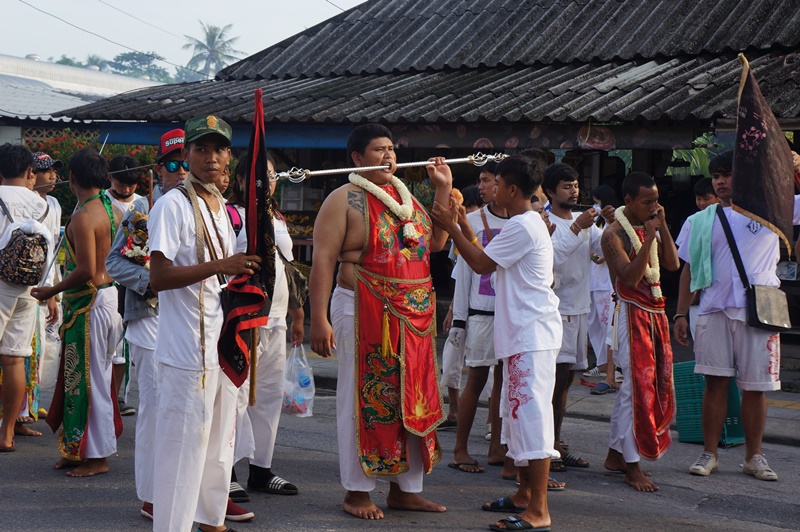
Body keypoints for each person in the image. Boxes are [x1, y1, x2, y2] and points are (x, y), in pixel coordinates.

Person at [310, 123, 451, 520]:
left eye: (391, 149)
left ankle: (406, 489)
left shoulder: (406, 197)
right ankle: (356, 492)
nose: (388, 156)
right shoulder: (343, 200)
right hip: (362, 309)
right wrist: (319, 318)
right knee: (363, 399)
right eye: (378, 150)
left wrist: (442, 187)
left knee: (412, 396)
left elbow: (435, 245)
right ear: (357, 158)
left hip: (413, 316)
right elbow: (322, 262)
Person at [431, 154, 562, 532]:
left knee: (531, 420)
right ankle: (524, 495)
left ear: (512, 189)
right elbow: (487, 253)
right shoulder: (524, 223)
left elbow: (482, 265)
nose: (490, 190)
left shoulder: (524, 226)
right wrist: (458, 222)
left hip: (530, 335)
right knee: (517, 416)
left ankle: (539, 509)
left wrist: (452, 228)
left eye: (497, 183)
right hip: (521, 334)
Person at [148, 115, 259, 532]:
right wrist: (223, 265)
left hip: (220, 345)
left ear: (229, 156)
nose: (210, 157)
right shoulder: (172, 204)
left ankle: (212, 521)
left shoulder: (223, 208)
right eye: (201, 149)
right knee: (182, 454)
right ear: (186, 155)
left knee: (217, 448)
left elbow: (228, 275)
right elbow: (158, 278)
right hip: (184, 354)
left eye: (218, 149)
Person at [673, 151, 781, 482]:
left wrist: (790, 165)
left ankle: (754, 456)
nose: (721, 181)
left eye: (728, 174)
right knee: (714, 383)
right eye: (717, 175)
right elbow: (688, 269)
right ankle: (710, 453)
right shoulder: (699, 220)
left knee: (755, 387)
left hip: (759, 311)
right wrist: (680, 313)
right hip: (712, 308)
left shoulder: (771, 210)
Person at [105, 128, 187, 520]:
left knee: (192, 406)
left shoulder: (216, 209)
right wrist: (150, 282)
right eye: (174, 164)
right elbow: (114, 262)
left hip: (196, 320)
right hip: (150, 317)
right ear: (159, 170)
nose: (183, 171)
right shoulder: (143, 211)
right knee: (156, 404)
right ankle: (153, 493)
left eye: (189, 162)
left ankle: (203, 490)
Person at [32, 148, 122, 477]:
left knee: (91, 381)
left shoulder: (85, 217)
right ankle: (78, 448)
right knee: (81, 379)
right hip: (106, 300)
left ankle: (97, 456)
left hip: (91, 303)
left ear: (72, 179)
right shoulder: (111, 209)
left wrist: (51, 290)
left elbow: (85, 269)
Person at [228, 153, 304, 502]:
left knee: (269, 397)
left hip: (275, 320)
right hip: (246, 319)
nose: (268, 182)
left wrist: (297, 312)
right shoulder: (232, 216)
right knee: (237, 398)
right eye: (260, 176)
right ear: (242, 181)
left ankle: (261, 469)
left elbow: (286, 265)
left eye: (273, 176)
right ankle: (225, 470)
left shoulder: (276, 216)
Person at [600, 172, 680, 492]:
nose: (654, 206)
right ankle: (632, 467)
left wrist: (663, 229)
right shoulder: (612, 234)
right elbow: (630, 280)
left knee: (638, 388)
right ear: (628, 201)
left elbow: (672, 265)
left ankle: (615, 455)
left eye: (656, 200)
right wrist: (648, 237)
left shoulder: (651, 224)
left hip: (656, 313)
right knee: (636, 389)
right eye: (648, 201)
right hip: (630, 314)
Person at [543, 163, 608, 471]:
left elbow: (602, 250)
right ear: (549, 192)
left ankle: (554, 443)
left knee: (567, 380)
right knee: (555, 381)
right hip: (558, 310)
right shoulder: (544, 220)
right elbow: (550, 259)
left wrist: (613, 224)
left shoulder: (584, 223)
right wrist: (577, 227)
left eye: (575, 185)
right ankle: (549, 448)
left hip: (578, 309)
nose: (574, 190)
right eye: (566, 186)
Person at [448, 175, 508, 475]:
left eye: (487, 180)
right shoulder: (471, 219)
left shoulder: (522, 221)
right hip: (481, 312)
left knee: (503, 381)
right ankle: (460, 449)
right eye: (481, 180)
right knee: (477, 379)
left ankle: (497, 445)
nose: (481, 186)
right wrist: (460, 319)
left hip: (509, 314)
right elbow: (463, 275)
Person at [0, 144, 51, 451]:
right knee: (14, 360)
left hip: (0, 284)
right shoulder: (42, 204)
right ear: (31, 172)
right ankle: (6, 433)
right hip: (29, 289)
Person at [107, 155, 144, 417]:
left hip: (133, 282)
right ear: (110, 178)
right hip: (106, 280)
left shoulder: (143, 203)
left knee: (124, 348)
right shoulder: (100, 202)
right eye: (121, 184)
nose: (126, 189)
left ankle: (118, 397)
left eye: (131, 185)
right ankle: (103, 395)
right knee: (108, 346)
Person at [584, 184, 621, 395]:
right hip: (593, 279)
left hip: (607, 281)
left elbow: (616, 244)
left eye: (597, 201)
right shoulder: (594, 220)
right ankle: (601, 362)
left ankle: (612, 366)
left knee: (608, 324)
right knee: (595, 323)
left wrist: (604, 257)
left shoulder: (616, 220)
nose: (594, 205)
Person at [674, 177, 719, 341]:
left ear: (718, 197)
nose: (701, 203)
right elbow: (688, 264)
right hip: (698, 295)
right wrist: (681, 312)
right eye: (699, 199)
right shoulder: (693, 221)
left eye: (706, 198)